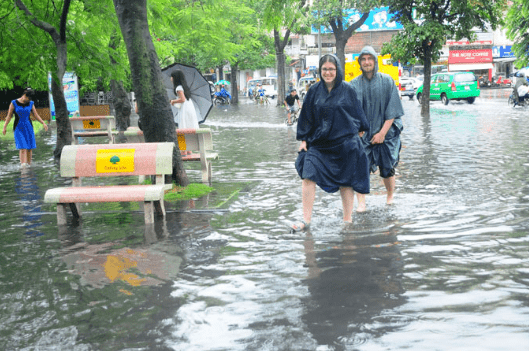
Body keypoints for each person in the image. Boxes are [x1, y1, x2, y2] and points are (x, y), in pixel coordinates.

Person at [291, 54, 370, 232]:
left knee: (346, 181)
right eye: (325, 69)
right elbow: (306, 118)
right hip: (319, 144)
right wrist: (303, 140)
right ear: (320, 70)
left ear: (337, 70)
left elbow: (358, 112)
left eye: (331, 69)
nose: (328, 72)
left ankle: (347, 220)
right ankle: (306, 220)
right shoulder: (313, 91)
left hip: (344, 143)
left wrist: (361, 128)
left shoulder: (348, 90)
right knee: (308, 174)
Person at [350, 46, 404, 210]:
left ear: (375, 60)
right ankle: (361, 202)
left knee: (388, 168)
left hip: (385, 134)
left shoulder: (387, 81)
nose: (367, 62)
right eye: (363, 59)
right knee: (360, 168)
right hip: (363, 136)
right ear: (360, 63)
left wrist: (382, 133)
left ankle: (390, 196)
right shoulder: (353, 85)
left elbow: (393, 110)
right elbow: (349, 112)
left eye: (370, 58)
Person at [2, 88, 48, 168]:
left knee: (29, 147)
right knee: (22, 147)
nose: (28, 100)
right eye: (28, 98)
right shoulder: (14, 103)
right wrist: (4, 127)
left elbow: (36, 115)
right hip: (18, 128)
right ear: (24, 95)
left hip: (28, 127)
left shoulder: (31, 103)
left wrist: (43, 123)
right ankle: (23, 166)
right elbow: (9, 116)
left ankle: (29, 165)